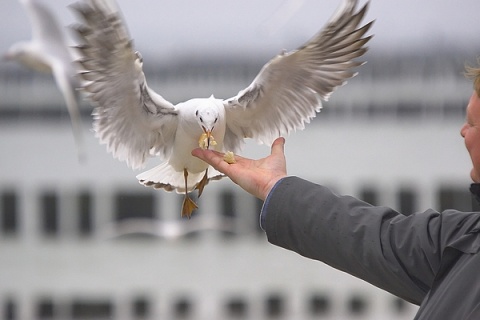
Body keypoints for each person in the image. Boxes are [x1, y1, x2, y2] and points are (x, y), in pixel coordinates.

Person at [192, 61, 480, 319]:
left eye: (471, 122)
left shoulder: (463, 242)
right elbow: (366, 234)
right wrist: (274, 188)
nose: (462, 131)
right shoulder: (462, 240)